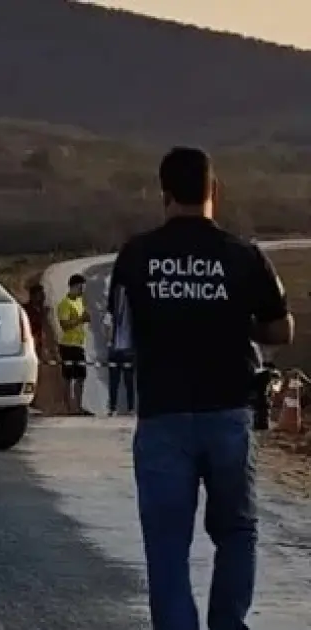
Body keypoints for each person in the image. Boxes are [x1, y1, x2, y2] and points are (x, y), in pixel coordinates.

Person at [107, 146, 293, 630]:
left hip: (163, 416)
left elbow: (121, 337)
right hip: (228, 414)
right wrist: (234, 321)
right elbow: (281, 330)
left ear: (163, 194)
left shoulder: (135, 256)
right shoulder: (243, 255)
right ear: (214, 191)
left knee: (167, 544)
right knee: (235, 530)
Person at [56, 273, 93, 415]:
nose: (83, 290)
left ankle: (78, 406)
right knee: (68, 377)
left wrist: (85, 319)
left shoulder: (80, 301)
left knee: (81, 376)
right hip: (67, 345)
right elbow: (64, 325)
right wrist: (80, 320)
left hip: (79, 344)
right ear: (74, 286)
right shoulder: (64, 304)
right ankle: (68, 407)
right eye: (81, 287)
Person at [105, 283, 136, 416]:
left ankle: (131, 407)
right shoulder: (111, 311)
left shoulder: (132, 310)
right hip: (115, 348)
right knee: (114, 381)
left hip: (127, 348)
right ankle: (113, 407)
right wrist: (109, 340)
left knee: (129, 381)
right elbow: (107, 325)